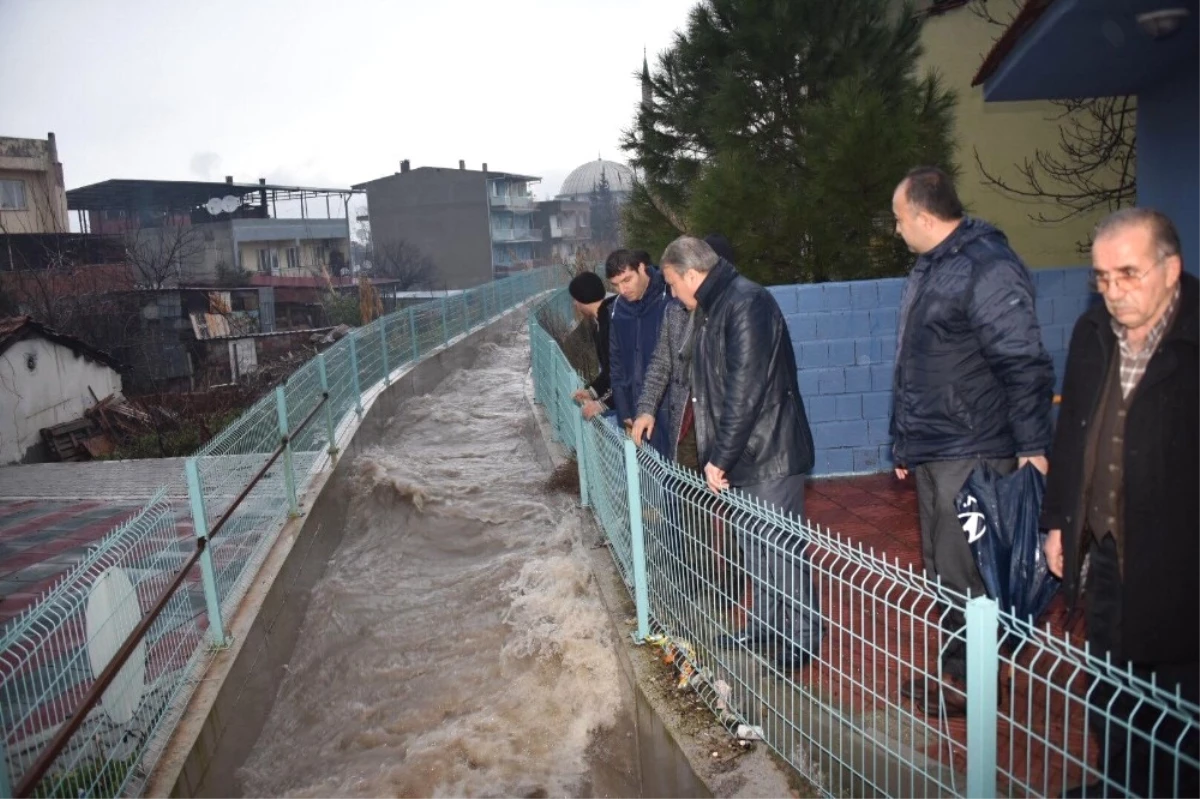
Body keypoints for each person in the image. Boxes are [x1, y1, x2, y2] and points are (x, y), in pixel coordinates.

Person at [1041, 208, 1200, 797]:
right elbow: (1074, 435)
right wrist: (1059, 521)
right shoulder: (1093, 334)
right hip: (1103, 556)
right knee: (1110, 690)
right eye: (1102, 278)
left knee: (1175, 708)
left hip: (1178, 568)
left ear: (1172, 269)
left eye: (1128, 274)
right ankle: (1119, 785)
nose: (1113, 292)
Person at [890, 166, 1055, 716]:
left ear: (921, 215)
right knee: (946, 571)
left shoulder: (987, 267)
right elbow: (914, 364)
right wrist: (904, 443)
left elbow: (1024, 361)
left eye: (898, 219)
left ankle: (976, 689)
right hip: (938, 448)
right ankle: (958, 676)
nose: (896, 230)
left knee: (971, 573)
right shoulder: (932, 268)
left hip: (975, 448)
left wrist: (1033, 445)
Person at [658, 235, 821, 669]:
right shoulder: (715, 306)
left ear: (692, 275)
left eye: (673, 284)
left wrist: (719, 458)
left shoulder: (746, 303)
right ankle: (766, 623)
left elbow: (744, 393)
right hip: (745, 452)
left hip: (769, 450)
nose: (672, 293)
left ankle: (801, 636)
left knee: (781, 548)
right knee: (755, 546)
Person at [606, 249, 672, 456]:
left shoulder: (670, 296)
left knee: (677, 477)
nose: (623, 289)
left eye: (627, 280)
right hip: (636, 409)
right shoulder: (617, 309)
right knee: (647, 479)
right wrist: (623, 408)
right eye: (616, 285)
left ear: (642, 268)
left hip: (671, 407)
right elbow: (615, 363)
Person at [568, 271, 616, 420]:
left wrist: (602, 404)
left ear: (583, 298)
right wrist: (592, 392)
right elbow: (610, 370)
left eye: (575, 299)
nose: (575, 304)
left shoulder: (611, 323)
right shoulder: (600, 323)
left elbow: (623, 372)